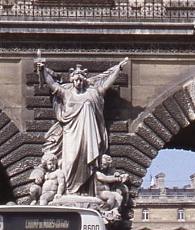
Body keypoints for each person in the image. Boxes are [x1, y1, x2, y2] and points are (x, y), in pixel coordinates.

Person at [35, 54, 129, 196]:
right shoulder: (66, 93)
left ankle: (86, 191)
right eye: (76, 78)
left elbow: (106, 85)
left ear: (84, 80)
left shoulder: (92, 94)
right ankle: (68, 191)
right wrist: (43, 71)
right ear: (72, 79)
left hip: (89, 134)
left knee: (88, 161)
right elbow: (52, 85)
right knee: (70, 160)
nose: (78, 80)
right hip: (71, 133)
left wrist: (118, 69)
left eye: (80, 78)